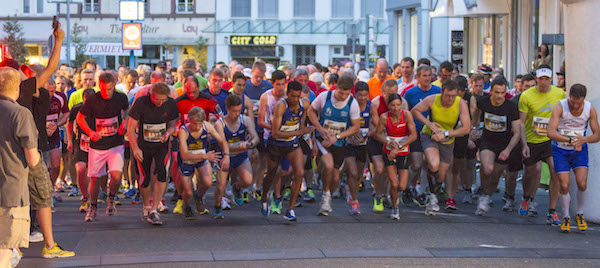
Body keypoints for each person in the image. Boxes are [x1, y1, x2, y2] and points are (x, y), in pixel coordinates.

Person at [411, 80, 471, 215]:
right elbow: (415, 110)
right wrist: (428, 123)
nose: (451, 99)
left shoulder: (460, 103)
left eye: (453, 96)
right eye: (448, 95)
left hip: (448, 140)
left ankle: (431, 192)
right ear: (442, 93)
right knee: (434, 163)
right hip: (430, 135)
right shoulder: (433, 99)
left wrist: (446, 133)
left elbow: (467, 128)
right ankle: (432, 199)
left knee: (441, 174)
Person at [547, 84, 600, 232]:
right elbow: (550, 132)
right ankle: (565, 216)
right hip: (560, 150)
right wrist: (569, 140)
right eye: (573, 102)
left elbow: (597, 135)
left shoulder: (589, 109)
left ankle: (580, 213)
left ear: (584, 99)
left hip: (579, 151)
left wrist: (585, 139)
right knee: (564, 185)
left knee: (582, 183)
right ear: (568, 96)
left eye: (579, 103)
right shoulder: (560, 107)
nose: (576, 105)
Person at [77, 73, 129, 222]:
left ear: (115, 85)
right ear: (99, 86)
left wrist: (125, 122)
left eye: (110, 89)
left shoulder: (121, 97)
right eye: (104, 89)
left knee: (116, 175)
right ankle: (92, 206)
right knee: (94, 177)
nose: (107, 93)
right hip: (97, 146)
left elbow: (127, 111)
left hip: (115, 143)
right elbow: (80, 119)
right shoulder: (93, 100)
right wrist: (91, 132)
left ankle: (111, 197)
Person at [517, 64, 566, 226]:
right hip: (532, 140)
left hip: (551, 141)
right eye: (540, 79)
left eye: (546, 79)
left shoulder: (560, 94)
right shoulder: (526, 96)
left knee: (555, 170)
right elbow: (522, 123)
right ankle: (526, 198)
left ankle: (552, 211)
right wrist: (524, 144)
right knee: (532, 172)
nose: (543, 82)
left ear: (551, 79)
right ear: (536, 79)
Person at [308, 71, 361, 216]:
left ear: (350, 92)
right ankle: (325, 197)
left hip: (338, 141)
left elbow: (355, 127)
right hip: (322, 137)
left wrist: (337, 136)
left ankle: (328, 195)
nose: (341, 96)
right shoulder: (325, 96)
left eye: (345, 94)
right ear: (336, 87)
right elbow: (310, 111)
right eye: (339, 92)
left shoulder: (352, 103)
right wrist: (319, 128)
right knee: (329, 166)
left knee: (336, 177)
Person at [127, 82, 179, 225]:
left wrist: (168, 133)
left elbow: (173, 124)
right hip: (144, 145)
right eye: (157, 99)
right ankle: (146, 205)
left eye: (163, 100)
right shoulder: (141, 102)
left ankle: (154, 210)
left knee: (162, 173)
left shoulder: (170, 103)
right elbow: (130, 128)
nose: (160, 103)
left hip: (161, 145)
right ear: (151, 94)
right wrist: (135, 148)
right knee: (145, 178)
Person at [261, 81, 313, 220]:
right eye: (292, 96)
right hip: (276, 144)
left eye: (297, 96)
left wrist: (315, 129)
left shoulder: (305, 104)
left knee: (299, 173)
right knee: (272, 173)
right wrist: (298, 132)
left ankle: (290, 209)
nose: (294, 100)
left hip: (291, 143)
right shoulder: (280, 106)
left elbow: (306, 119)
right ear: (287, 93)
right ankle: (265, 195)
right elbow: (275, 133)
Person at [471, 77, 521, 215]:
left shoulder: (511, 107)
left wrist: (508, 150)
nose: (500, 96)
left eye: (503, 93)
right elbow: (475, 117)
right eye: (497, 92)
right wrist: (473, 130)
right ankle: (483, 193)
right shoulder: (483, 102)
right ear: (491, 91)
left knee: (495, 176)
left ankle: (486, 195)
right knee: (487, 168)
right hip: (487, 140)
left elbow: (517, 132)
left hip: (505, 143)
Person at [177, 107, 228, 219]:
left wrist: (227, 155)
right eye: (194, 124)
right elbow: (184, 155)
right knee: (188, 192)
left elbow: (221, 140)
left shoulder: (206, 126)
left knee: (208, 183)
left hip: (201, 160)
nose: (197, 127)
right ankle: (186, 206)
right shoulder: (183, 131)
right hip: (187, 161)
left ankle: (198, 195)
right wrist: (205, 155)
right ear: (189, 120)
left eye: (200, 123)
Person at [214, 94, 259, 218]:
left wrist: (250, 144)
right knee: (220, 187)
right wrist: (229, 153)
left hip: (240, 156)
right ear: (227, 109)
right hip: (224, 156)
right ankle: (217, 208)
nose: (236, 114)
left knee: (248, 181)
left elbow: (255, 137)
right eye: (234, 111)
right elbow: (222, 143)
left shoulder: (245, 120)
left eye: (239, 110)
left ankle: (237, 188)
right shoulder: (220, 123)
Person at [374, 93, 417, 219]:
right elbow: (377, 135)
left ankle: (395, 197)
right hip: (389, 152)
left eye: (398, 105)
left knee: (402, 186)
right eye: (392, 105)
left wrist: (399, 145)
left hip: (403, 151)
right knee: (394, 183)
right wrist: (388, 142)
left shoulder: (407, 114)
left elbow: (413, 135)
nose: (396, 108)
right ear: (388, 106)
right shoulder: (384, 117)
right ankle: (394, 207)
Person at [403, 65, 441, 206]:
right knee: (417, 164)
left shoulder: (438, 91)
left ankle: (423, 191)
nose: (427, 78)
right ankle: (407, 187)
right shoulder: (410, 93)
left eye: (429, 75)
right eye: (424, 76)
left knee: (429, 163)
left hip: (432, 132)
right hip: (416, 131)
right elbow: (405, 112)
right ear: (417, 77)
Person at [368, 79, 408, 211]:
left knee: (393, 172)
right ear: (382, 91)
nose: (392, 98)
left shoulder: (402, 103)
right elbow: (378, 126)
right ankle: (379, 195)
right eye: (389, 94)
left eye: (395, 93)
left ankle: (392, 197)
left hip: (396, 140)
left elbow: (406, 122)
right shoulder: (376, 103)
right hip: (379, 138)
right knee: (380, 169)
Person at [502, 74, 536, 211]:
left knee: (533, 170)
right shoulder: (514, 102)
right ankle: (509, 197)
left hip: (533, 139)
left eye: (532, 86)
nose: (529, 89)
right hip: (515, 138)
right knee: (512, 171)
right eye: (527, 86)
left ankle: (529, 200)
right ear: (520, 86)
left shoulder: (538, 101)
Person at [257, 70, 289, 214]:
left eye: (283, 84)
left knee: (286, 170)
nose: (280, 88)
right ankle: (272, 198)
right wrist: (274, 128)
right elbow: (260, 121)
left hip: (287, 138)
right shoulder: (266, 97)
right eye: (278, 85)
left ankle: (277, 194)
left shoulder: (289, 96)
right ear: (272, 83)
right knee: (273, 171)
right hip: (271, 138)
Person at [67, 88, 97, 213]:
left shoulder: (99, 108)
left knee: (93, 172)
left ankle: (93, 197)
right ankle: (85, 197)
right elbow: (69, 123)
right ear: (83, 99)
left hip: (95, 142)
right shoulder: (76, 108)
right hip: (79, 142)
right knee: (80, 169)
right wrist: (69, 140)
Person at [343, 82, 371, 214]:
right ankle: (354, 201)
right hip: (349, 144)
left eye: (365, 95)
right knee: (353, 172)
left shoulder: (371, 106)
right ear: (355, 95)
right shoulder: (348, 105)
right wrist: (350, 134)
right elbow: (342, 123)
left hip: (363, 144)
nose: (362, 98)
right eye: (360, 95)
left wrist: (366, 136)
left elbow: (376, 125)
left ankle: (352, 191)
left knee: (358, 174)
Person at [44, 79, 70, 202]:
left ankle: (51, 188)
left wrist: (57, 125)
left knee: (56, 164)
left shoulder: (60, 97)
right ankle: (44, 191)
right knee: (45, 166)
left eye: (53, 90)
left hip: (54, 134)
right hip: (41, 135)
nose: (50, 94)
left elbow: (66, 115)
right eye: (47, 91)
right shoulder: (36, 98)